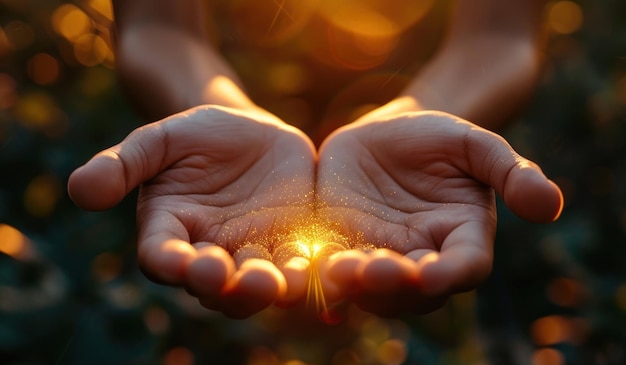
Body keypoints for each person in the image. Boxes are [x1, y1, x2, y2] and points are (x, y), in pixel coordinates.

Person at [67, 0, 563, 319]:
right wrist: (219, 110)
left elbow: (500, 33)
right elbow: (158, 23)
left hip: (431, 189)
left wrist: (427, 117)